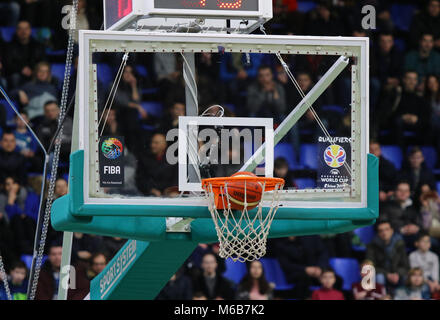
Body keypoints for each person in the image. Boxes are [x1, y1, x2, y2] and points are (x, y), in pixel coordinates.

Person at [366, 221, 409, 292]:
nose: (384, 233)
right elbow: (370, 266)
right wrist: (387, 274)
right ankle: (381, 296)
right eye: (381, 231)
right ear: (378, 233)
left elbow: (406, 266)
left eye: (387, 229)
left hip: (397, 274)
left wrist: (397, 274)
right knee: (380, 277)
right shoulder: (372, 246)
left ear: (392, 231)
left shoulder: (400, 244)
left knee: (406, 277)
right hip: (382, 274)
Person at [3, 20, 46, 89]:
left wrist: (34, 71)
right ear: (16, 31)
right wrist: (21, 69)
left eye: (26, 29)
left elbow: (43, 62)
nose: (23, 31)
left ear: (30, 30)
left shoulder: (38, 46)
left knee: (54, 79)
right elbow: (7, 64)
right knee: (15, 77)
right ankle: (17, 95)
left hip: (35, 74)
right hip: (17, 74)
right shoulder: (9, 47)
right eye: (20, 29)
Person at [379, 181, 422, 248]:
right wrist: (401, 229)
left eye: (406, 191)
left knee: (427, 240)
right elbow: (383, 221)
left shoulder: (413, 206)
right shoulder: (387, 206)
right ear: (395, 191)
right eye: (400, 190)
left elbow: (419, 221)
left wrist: (416, 227)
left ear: (409, 193)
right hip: (394, 234)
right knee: (396, 240)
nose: (403, 193)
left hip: (413, 234)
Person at [135, 133, 178, 197]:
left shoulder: (173, 159)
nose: (152, 145)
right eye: (152, 142)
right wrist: (151, 189)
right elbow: (140, 179)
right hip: (148, 195)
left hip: (169, 195)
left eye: (156, 143)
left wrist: (170, 190)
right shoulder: (144, 159)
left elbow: (176, 179)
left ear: (164, 145)